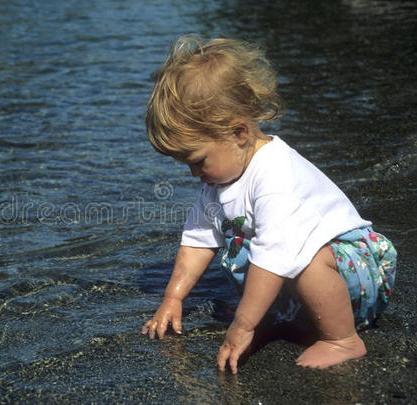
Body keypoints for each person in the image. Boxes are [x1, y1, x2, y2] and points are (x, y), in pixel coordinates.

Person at [140, 37, 397, 373]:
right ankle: (292, 313)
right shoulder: (220, 180)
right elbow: (198, 238)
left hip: (360, 272)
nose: (193, 173)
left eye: (198, 161)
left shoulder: (275, 174)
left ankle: (343, 339)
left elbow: (275, 255)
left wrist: (243, 326)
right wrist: (173, 298)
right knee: (252, 250)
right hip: (313, 275)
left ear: (239, 133)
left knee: (303, 257)